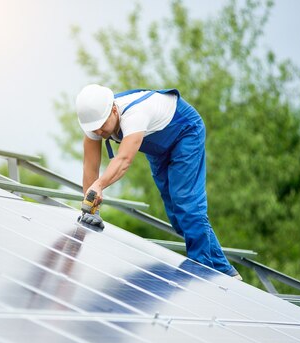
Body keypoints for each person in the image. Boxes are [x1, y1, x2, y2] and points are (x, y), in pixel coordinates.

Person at [76, 84, 242, 279]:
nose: (100, 132)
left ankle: (202, 274)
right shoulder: (95, 124)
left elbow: (123, 160)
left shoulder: (135, 113)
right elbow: (90, 167)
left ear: (113, 110)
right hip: (158, 147)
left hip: (185, 133)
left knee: (186, 204)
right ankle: (226, 271)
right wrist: (91, 209)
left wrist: (100, 185)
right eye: (94, 129)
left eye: (102, 126)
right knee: (176, 214)